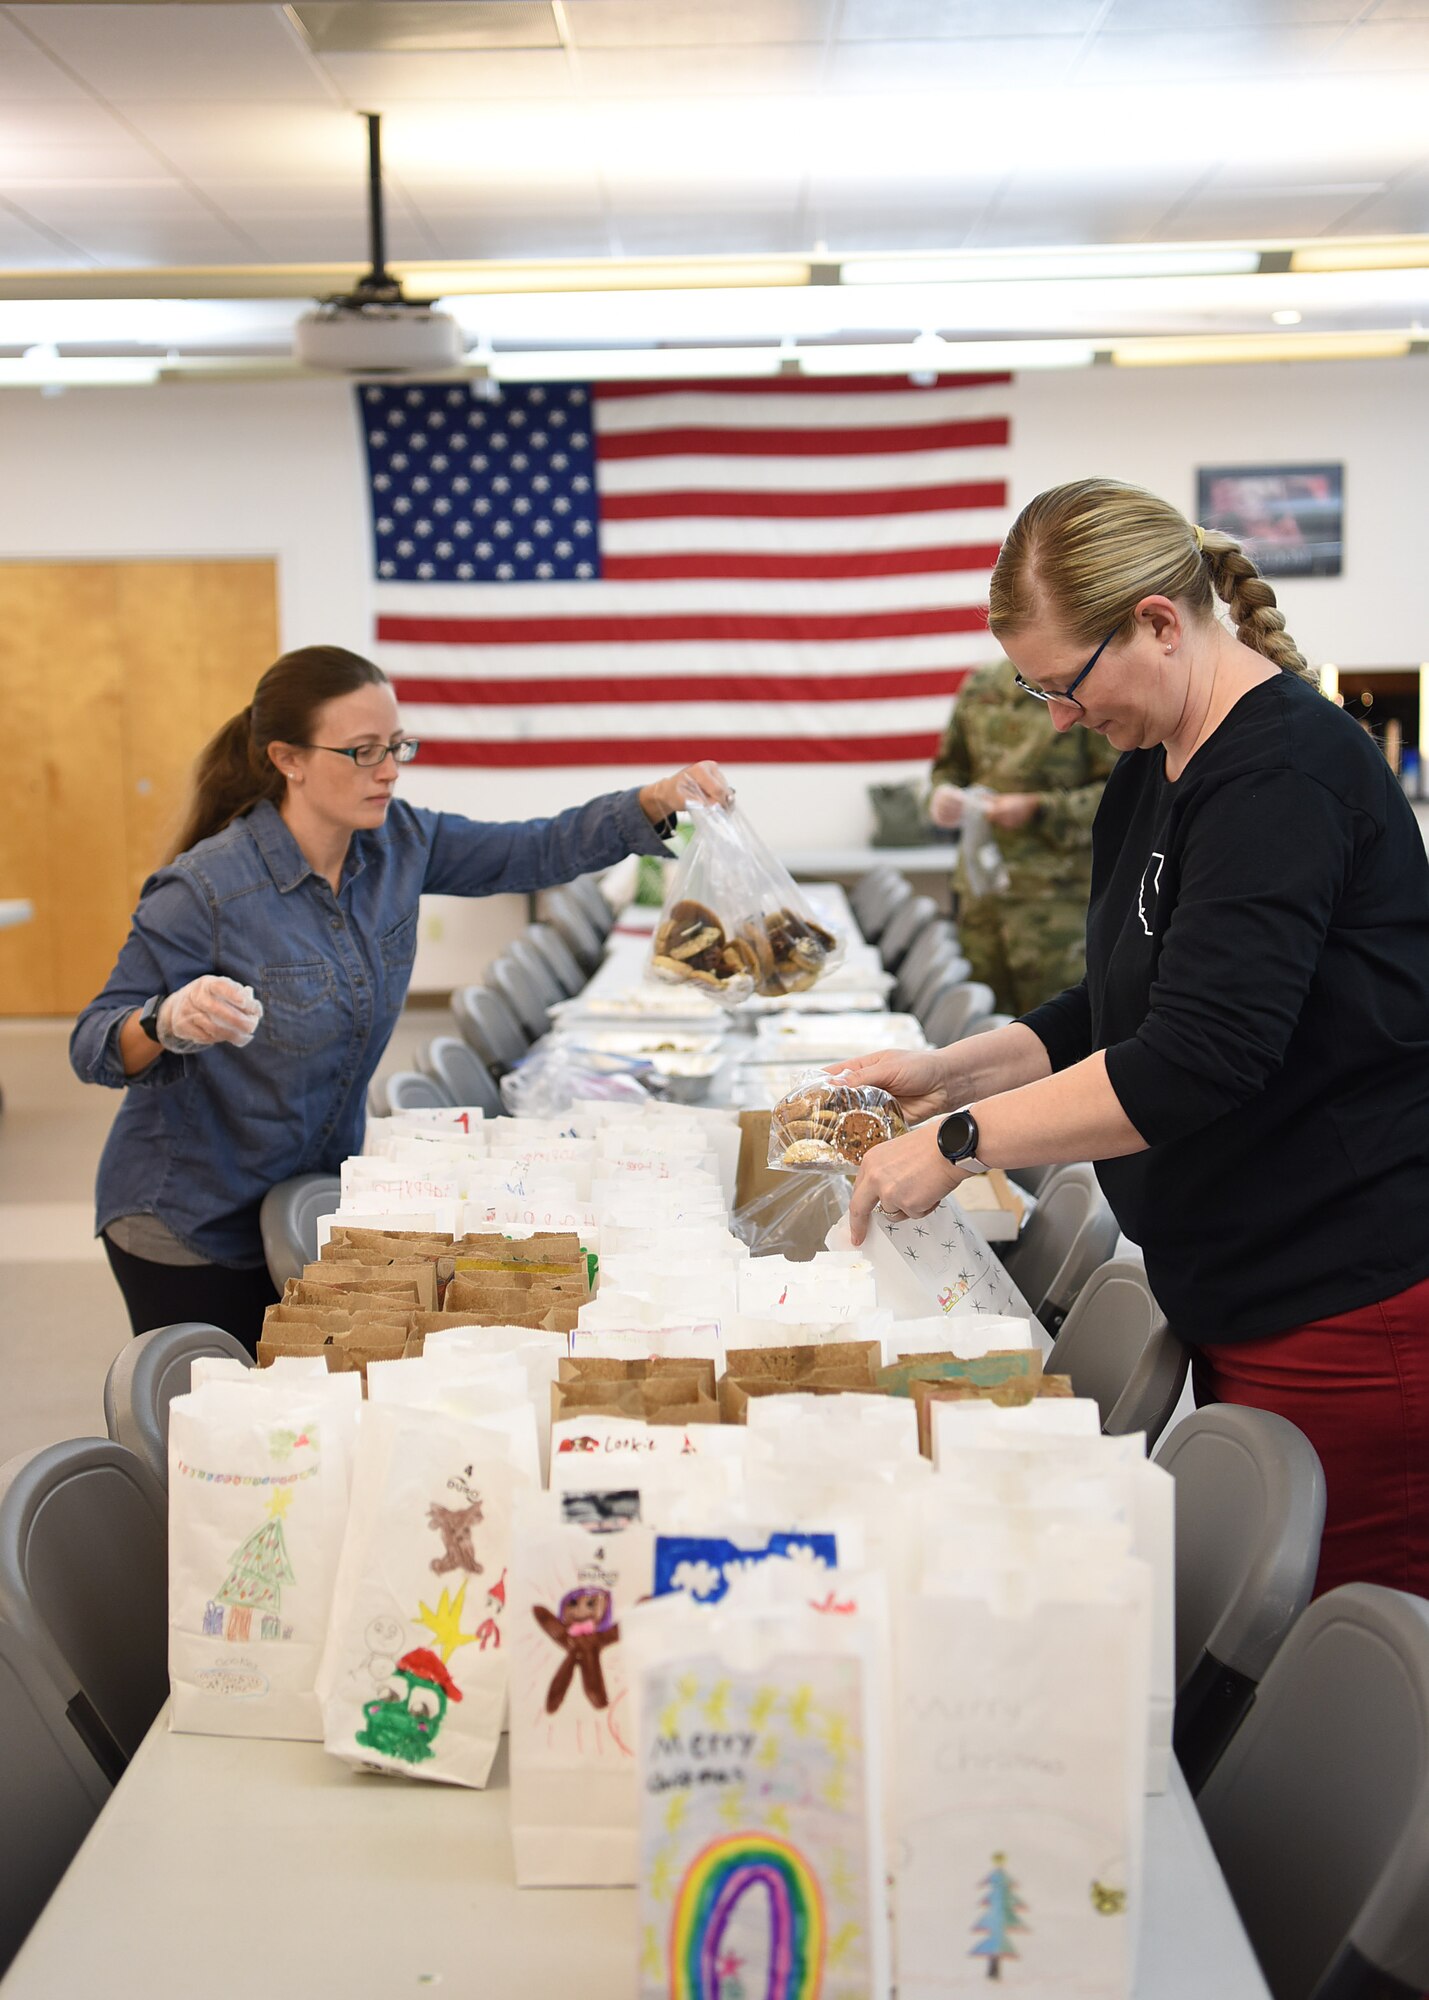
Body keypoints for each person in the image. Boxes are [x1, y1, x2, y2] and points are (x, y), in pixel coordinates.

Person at [841, 478, 1429, 1599]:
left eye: (1066, 683)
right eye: (1034, 686)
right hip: (1240, 1273)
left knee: (1356, 1634)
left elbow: (1199, 1054)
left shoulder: (1282, 774)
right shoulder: (1154, 766)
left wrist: (963, 1139)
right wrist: (949, 1069)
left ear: (1160, 620)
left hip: (1343, 1295)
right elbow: (1111, 1010)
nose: (1057, 715)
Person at [72, 644, 728, 1355]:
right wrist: (165, 1021)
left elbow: (534, 850)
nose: (387, 769)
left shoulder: (398, 843)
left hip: (306, 1195)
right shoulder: (206, 889)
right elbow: (93, 1045)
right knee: (226, 1421)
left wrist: (654, 801)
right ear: (287, 758)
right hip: (187, 1220)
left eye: (396, 746)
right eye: (361, 752)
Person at [928, 657, 1117, 1013]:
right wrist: (941, 797)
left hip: (1053, 904)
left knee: (1059, 1034)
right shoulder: (982, 686)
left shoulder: (1080, 687)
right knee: (981, 1030)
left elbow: (1121, 795)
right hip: (982, 901)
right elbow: (949, 769)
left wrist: (1039, 808)